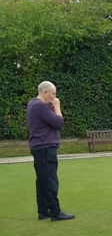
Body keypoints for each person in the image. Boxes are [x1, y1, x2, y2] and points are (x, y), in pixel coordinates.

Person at [26, 81, 75, 221]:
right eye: (53, 93)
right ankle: (55, 211)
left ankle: (43, 210)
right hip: (45, 147)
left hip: (38, 147)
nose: (54, 97)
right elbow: (59, 123)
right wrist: (57, 106)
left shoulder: (32, 103)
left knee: (41, 180)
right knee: (50, 180)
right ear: (45, 92)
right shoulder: (41, 106)